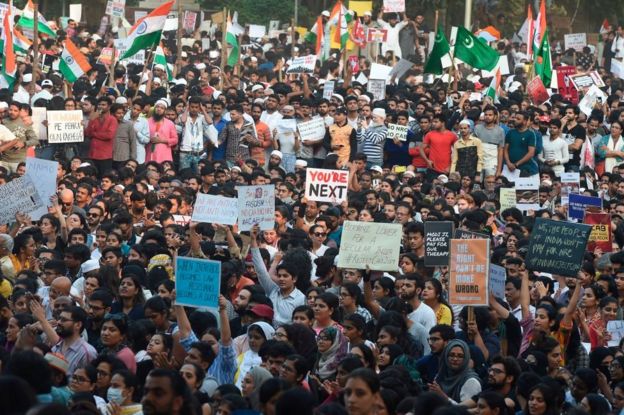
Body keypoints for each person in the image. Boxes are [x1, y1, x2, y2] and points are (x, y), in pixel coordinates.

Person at [429, 339, 482, 403]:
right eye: (451, 355)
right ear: (446, 356)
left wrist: (443, 396)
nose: (455, 359)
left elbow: (466, 411)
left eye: (460, 356)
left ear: (466, 358)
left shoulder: (471, 382)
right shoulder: (441, 375)